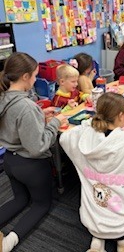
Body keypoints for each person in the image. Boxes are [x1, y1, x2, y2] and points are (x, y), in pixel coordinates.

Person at [59, 92, 124, 252]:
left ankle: (97, 243)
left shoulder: (83, 137)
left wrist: (87, 125)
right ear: (121, 115)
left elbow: (64, 139)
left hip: (93, 218)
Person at [0, 52, 67, 252]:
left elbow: (17, 122)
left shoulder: (3, 97)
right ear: (25, 77)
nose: (37, 79)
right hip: (30, 166)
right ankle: (9, 242)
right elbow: (38, 146)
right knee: (40, 205)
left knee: (20, 199)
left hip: (10, 162)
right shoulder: (26, 107)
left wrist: (39, 114)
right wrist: (55, 123)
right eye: (35, 75)